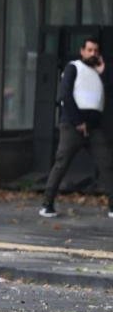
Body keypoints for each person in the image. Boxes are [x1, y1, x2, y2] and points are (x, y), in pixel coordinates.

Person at [40, 37, 113, 218]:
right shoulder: (73, 67)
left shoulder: (100, 71)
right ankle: (47, 204)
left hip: (94, 128)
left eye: (96, 51)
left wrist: (103, 72)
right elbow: (65, 95)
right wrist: (78, 121)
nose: (93, 53)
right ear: (82, 51)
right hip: (73, 125)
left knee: (107, 163)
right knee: (61, 164)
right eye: (89, 50)